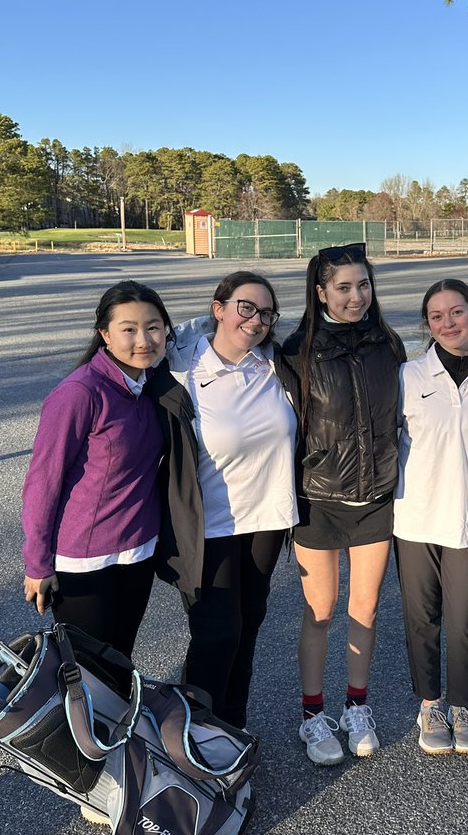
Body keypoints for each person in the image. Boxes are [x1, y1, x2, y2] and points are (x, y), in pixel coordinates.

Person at [149, 272, 300, 729]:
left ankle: (232, 728)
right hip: (207, 526)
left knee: (248, 626)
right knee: (217, 634)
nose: (256, 321)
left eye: (266, 313)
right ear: (219, 308)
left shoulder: (274, 364)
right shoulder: (180, 370)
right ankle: (196, 734)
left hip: (267, 521)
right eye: (245, 307)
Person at [281, 243, 406, 765]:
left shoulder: (389, 344)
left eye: (363, 285)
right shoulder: (296, 350)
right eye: (344, 288)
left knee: (366, 606)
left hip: (375, 496)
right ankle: (314, 714)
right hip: (319, 500)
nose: (357, 297)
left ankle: (357, 705)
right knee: (321, 610)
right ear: (320, 292)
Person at [21, 280, 171, 659]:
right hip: (84, 560)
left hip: (138, 552)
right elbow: (43, 482)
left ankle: (121, 720)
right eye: (129, 329)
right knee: (85, 670)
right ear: (104, 334)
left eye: (154, 327)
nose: (144, 340)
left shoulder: (152, 384)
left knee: (121, 657)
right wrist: (37, 563)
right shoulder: (79, 393)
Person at [393, 279, 468, 756]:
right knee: (422, 618)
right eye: (437, 316)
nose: (448, 323)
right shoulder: (407, 376)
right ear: (427, 324)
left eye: (456, 312)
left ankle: (462, 705)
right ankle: (430, 702)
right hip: (415, 517)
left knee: (463, 620)